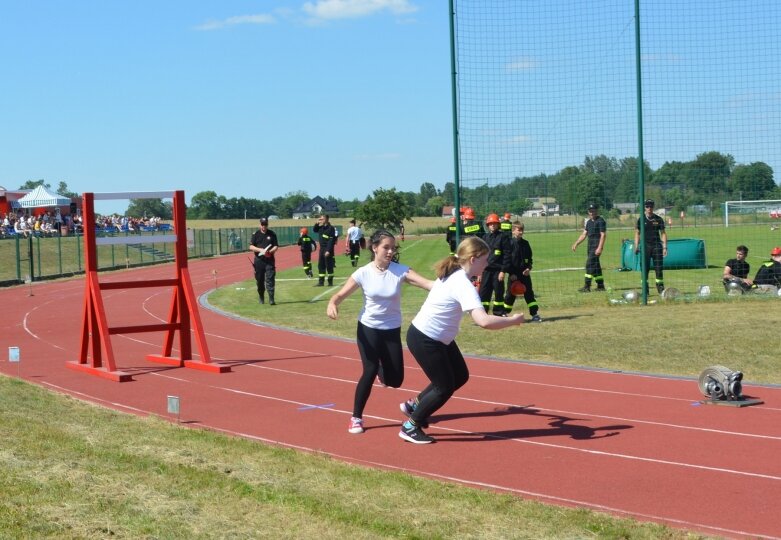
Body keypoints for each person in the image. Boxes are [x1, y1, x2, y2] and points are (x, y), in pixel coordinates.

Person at [399, 236, 525, 444]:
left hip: (438, 338)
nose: (487, 264)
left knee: (460, 376)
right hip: (426, 338)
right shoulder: (461, 283)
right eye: (485, 260)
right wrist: (513, 320)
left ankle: (415, 405)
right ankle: (411, 425)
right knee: (444, 386)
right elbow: (483, 321)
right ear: (474, 259)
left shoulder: (453, 273)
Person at [327, 230, 433, 435]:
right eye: (386, 247)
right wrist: (332, 304)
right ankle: (356, 417)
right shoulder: (363, 273)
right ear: (374, 247)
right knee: (369, 369)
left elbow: (428, 284)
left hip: (391, 330)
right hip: (368, 329)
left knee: (395, 380)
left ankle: (384, 374)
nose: (391, 251)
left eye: (393, 248)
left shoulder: (400, 271)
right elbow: (340, 294)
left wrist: (450, 285)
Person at [502, 221, 541, 322]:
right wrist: (511, 273)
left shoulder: (525, 244)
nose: (521, 232)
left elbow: (529, 259)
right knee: (510, 295)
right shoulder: (509, 243)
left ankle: (535, 314)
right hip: (513, 275)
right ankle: (504, 313)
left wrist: (528, 268)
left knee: (529, 294)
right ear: (513, 231)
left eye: (522, 230)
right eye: (519, 230)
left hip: (524, 274)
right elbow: (506, 260)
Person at [479, 213, 511, 316]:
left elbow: (507, 255)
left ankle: (498, 312)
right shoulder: (485, 237)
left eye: (495, 223)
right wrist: (479, 272)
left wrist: (503, 271)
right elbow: (481, 255)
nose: (492, 225)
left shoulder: (503, 237)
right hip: (486, 270)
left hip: (498, 270)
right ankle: (483, 313)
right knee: (484, 292)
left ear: (498, 225)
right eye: (490, 223)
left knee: (498, 291)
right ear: (488, 225)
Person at [634, 199, 667, 295]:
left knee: (659, 268)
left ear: (653, 207)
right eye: (647, 206)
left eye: (651, 206)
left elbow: (663, 233)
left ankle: (660, 288)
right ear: (644, 207)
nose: (649, 208)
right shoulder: (641, 219)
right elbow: (637, 233)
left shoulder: (658, 219)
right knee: (645, 268)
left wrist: (665, 247)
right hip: (645, 247)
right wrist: (636, 246)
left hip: (657, 246)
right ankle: (645, 289)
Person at [572, 203, 607, 292]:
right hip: (590, 247)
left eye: (593, 211)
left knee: (589, 265)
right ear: (588, 212)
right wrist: (576, 243)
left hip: (596, 247)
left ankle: (587, 286)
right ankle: (601, 286)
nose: (592, 213)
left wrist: (600, 248)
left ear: (597, 211)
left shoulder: (601, 221)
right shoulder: (588, 222)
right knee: (596, 267)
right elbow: (584, 234)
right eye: (590, 211)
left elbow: (603, 235)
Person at [249, 218, 279, 305]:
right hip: (259, 261)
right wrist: (260, 249)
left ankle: (271, 299)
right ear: (260, 224)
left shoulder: (272, 234)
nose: (264, 226)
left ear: (267, 224)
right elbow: (251, 247)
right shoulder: (256, 234)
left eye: (265, 224)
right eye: (262, 224)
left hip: (269, 260)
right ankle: (261, 296)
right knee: (260, 280)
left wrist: (270, 251)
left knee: (270, 279)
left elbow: (276, 246)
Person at [313, 214, 337, 286]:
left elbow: (331, 240)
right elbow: (315, 230)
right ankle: (321, 282)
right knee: (321, 265)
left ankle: (330, 282)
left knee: (329, 266)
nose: (321, 220)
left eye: (322, 219)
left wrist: (328, 250)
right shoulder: (321, 228)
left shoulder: (331, 228)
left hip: (328, 249)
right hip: (322, 249)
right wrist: (317, 223)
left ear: (327, 219)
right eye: (320, 219)